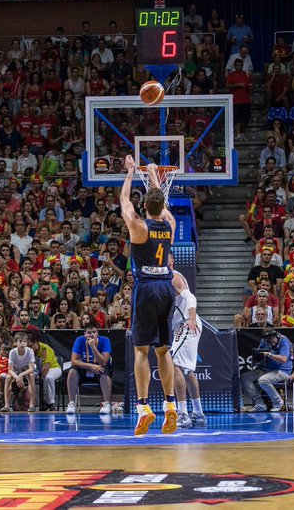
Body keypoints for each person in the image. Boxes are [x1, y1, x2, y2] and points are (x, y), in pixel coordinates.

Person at [120, 157, 180, 435]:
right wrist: (154, 174)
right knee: (163, 349)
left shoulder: (137, 226)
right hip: (167, 287)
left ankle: (144, 407)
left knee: (141, 351)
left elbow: (124, 201)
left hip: (146, 288)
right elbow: (161, 204)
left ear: (144, 206)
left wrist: (132, 172)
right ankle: (171, 405)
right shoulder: (169, 223)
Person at [169, 271, 205, 428]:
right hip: (182, 324)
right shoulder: (164, 277)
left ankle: (183, 415)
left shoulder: (173, 277)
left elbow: (191, 297)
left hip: (186, 324)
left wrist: (191, 318)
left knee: (174, 364)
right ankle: (198, 414)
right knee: (188, 371)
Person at [66, 324, 113, 414]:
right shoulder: (79, 340)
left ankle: (107, 403)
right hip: (85, 368)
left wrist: (93, 347)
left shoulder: (105, 340)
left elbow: (103, 362)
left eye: (94, 332)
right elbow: (74, 361)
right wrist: (90, 366)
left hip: (99, 367)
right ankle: (71, 403)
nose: (91, 335)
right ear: (85, 334)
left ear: (97, 333)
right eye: (89, 333)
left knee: (104, 371)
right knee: (72, 371)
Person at [243, 329, 292, 411]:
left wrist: (269, 354)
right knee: (245, 377)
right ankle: (260, 403)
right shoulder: (264, 340)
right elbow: (259, 354)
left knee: (263, 380)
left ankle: (278, 402)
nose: (271, 342)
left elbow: (283, 359)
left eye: (272, 338)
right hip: (268, 370)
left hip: (283, 371)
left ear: (276, 335)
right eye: (268, 339)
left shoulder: (284, 341)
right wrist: (258, 356)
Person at [3, 332, 37, 411]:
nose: (22, 343)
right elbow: (10, 370)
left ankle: (32, 405)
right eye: (20, 341)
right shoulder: (12, 352)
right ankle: (6, 405)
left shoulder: (30, 351)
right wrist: (17, 377)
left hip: (27, 370)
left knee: (31, 376)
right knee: (8, 377)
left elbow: (31, 368)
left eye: (24, 341)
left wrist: (21, 374)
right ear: (15, 343)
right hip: (16, 370)